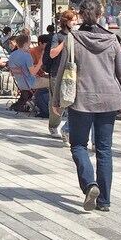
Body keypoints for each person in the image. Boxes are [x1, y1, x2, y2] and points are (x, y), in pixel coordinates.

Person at [51, 0, 121, 212]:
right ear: (100, 15)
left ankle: (90, 183)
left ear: (79, 15)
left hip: (81, 99)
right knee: (105, 149)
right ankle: (104, 201)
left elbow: (62, 70)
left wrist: (56, 101)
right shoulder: (112, 39)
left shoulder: (73, 38)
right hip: (110, 99)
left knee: (79, 145)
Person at [48, 10, 77, 142]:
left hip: (72, 73)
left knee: (71, 101)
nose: (75, 22)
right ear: (66, 21)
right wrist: (64, 43)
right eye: (72, 20)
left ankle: (67, 129)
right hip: (57, 73)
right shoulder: (58, 36)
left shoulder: (77, 36)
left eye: (76, 20)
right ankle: (53, 125)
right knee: (58, 101)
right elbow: (52, 54)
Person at [9, 33, 50, 117]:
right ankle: (44, 106)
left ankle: (36, 101)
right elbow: (33, 72)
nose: (30, 44)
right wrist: (39, 63)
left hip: (21, 83)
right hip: (31, 82)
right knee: (54, 82)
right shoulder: (27, 56)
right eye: (29, 43)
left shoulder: (12, 55)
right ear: (25, 44)